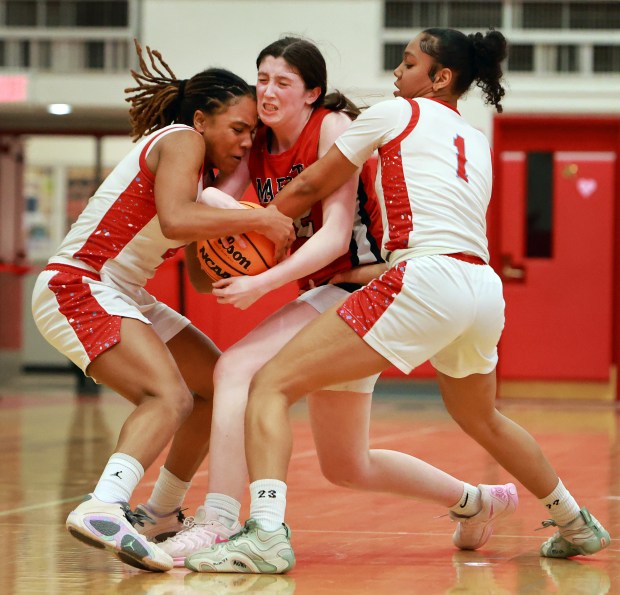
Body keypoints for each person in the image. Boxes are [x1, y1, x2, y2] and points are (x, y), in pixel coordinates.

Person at [184, 28, 611, 574]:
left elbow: (314, 183)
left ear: (440, 78)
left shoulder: (397, 112)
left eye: (408, 63)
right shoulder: (475, 137)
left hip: (423, 276)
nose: (397, 72)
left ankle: (265, 533)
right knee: (484, 419)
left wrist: (261, 218)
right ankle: (575, 520)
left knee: (268, 382)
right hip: (481, 287)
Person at [31, 39, 293, 572]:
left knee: (215, 386)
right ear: (201, 120)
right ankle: (104, 505)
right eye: (238, 129)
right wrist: (258, 220)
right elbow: (175, 220)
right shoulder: (180, 142)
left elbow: (196, 271)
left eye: (253, 134)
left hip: (123, 290)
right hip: (80, 282)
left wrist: (231, 256)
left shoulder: (204, 178)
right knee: (166, 396)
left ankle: (161, 514)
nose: (246, 143)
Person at [143, 36, 389, 567]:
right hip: (329, 290)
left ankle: (217, 521)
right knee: (349, 465)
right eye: (262, 79)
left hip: (368, 285)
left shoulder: (331, 128)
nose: (268, 91)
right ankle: (476, 500)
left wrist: (262, 281)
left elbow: (333, 236)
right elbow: (218, 205)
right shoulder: (256, 146)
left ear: (312, 93)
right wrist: (218, 212)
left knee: (234, 368)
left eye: (283, 82)